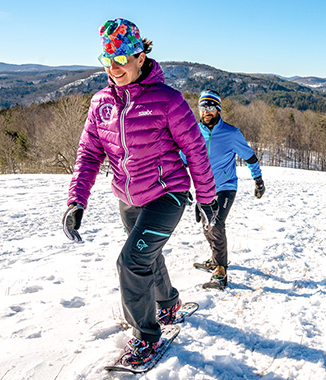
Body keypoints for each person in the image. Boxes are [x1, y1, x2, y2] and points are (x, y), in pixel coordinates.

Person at [61, 18, 217, 368]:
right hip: (128, 199)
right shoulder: (100, 102)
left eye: (121, 59)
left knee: (131, 262)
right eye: (107, 59)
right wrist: (76, 201)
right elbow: (88, 154)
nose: (114, 68)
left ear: (140, 57)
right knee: (148, 256)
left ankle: (146, 337)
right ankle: (169, 303)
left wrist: (207, 198)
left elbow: (195, 151)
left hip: (167, 195)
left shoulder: (168, 100)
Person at [191, 89, 265, 290]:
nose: (206, 111)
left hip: (226, 186)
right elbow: (181, 159)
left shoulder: (231, 133)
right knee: (207, 227)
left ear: (218, 109)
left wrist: (258, 180)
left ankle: (221, 271)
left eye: (211, 107)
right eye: (203, 107)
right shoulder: (193, 132)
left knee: (215, 224)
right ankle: (215, 259)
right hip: (203, 188)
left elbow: (249, 157)